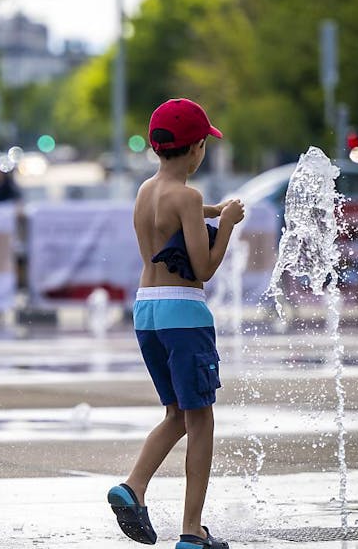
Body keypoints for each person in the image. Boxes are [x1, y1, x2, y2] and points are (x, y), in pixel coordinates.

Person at [107, 98, 244, 549]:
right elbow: (202, 268)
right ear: (197, 149)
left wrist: (210, 211)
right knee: (200, 417)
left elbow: (171, 220)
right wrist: (226, 226)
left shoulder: (147, 191)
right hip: (184, 312)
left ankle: (133, 487)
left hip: (146, 310)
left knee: (176, 413)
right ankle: (191, 530)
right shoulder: (188, 196)